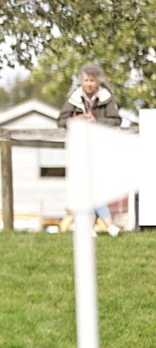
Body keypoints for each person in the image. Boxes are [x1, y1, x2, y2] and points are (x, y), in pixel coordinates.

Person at [57, 63, 123, 236]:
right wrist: (77, 119)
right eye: (85, 80)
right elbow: (61, 120)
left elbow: (116, 120)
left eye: (92, 81)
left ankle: (92, 227)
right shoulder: (75, 97)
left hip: (100, 148)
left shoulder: (106, 98)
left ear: (97, 82)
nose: (88, 84)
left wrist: (96, 122)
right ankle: (106, 226)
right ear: (81, 81)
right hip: (80, 150)